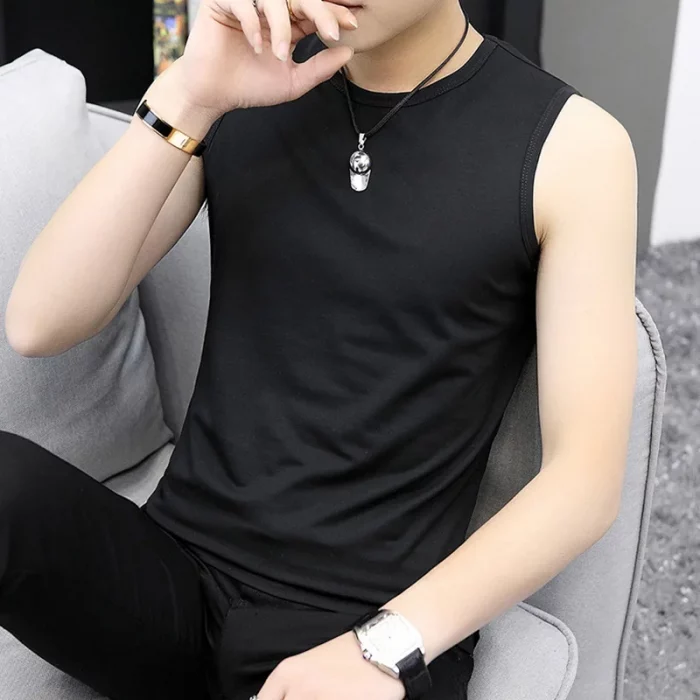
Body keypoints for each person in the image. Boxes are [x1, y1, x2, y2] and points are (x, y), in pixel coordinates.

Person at [1, 1, 639, 699]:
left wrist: (381, 649)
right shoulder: (239, 83)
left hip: (353, 626)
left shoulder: (574, 147)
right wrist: (190, 92)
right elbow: (40, 322)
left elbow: (584, 483)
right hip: (172, 580)